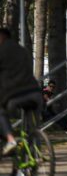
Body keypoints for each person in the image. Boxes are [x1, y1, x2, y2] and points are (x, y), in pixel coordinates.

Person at [0, 28, 41, 156]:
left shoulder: (1, 51)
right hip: (35, 93)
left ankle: (11, 140)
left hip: (14, 95)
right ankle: (35, 157)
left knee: (1, 113)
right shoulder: (23, 51)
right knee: (33, 128)